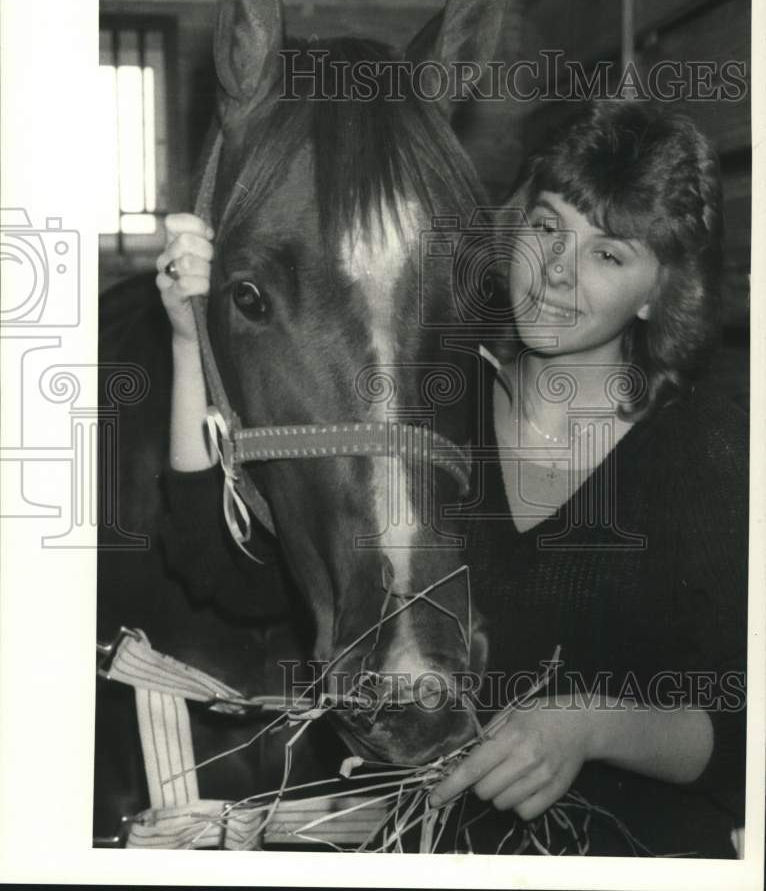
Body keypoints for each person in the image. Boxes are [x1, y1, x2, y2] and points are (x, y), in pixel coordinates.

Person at [156, 101, 747, 856]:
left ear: (660, 290)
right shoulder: (437, 410)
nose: (557, 275)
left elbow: (744, 723)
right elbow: (222, 573)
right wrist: (186, 338)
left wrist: (589, 728)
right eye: (547, 228)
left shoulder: (709, 450)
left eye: (609, 255)